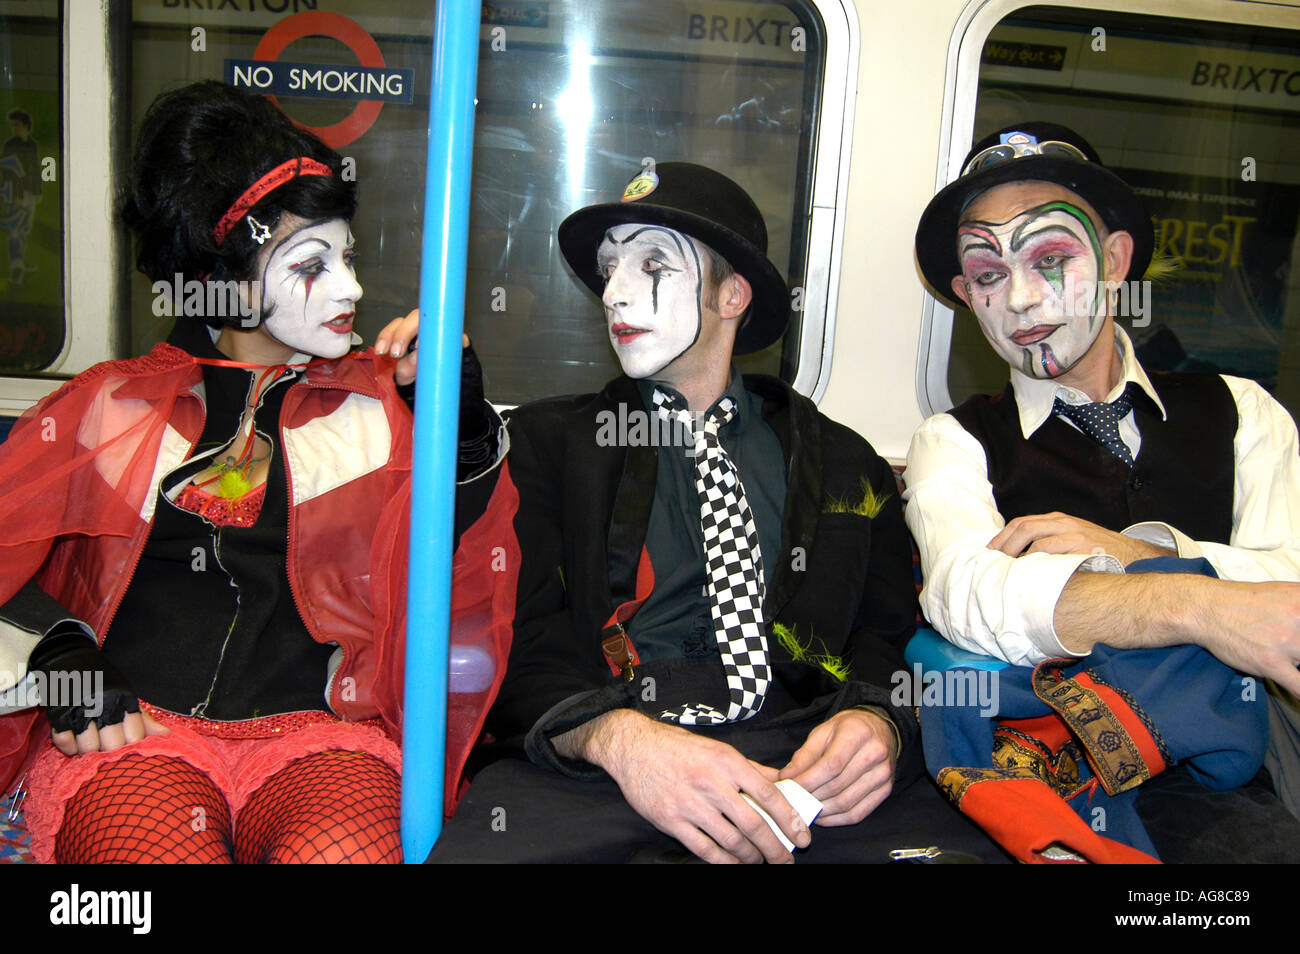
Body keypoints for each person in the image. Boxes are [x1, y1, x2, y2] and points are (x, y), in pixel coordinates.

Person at [430, 162, 1006, 863]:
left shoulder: (843, 462)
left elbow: (885, 635)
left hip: (802, 756)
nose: (612, 291)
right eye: (609, 269)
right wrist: (616, 737)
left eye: (650, 264)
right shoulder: (550, 444)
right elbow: (517, 630)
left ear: (732, 295)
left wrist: (878, 719)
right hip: (606, 753)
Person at [0, 81, 509, 863]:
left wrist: (463, 433)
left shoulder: (384, 406)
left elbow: (457, 566)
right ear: (223, 279)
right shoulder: (108, 406)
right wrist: (58, 648)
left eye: (348, 256)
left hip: (326, 737)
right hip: (139, 731)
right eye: (311, 265)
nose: (353, 290)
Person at [906, 122, 1300, 861]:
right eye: (989, 275)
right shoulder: (954, 440)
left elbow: (1291, 586)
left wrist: (1133, 551)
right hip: (1049, 760)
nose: (1021, 299)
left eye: (1051, 258)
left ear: (1114, 260)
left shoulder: (1242, 408)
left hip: (1233, 762)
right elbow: (967, 597)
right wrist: (1195, 601)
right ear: (966, 292)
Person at [2, 108, 41, 284]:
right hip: (16, 194)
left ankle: (20, 261)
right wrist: (15, 194)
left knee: (24, 229)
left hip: (30, 195)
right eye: (13, 125)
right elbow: (9, 172)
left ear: (25, 126)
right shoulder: (10, 145)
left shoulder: (33, 145)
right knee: (15, 231)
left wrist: (38, 191)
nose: (14, 127)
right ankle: (16, 267)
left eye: (16, 124)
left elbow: (36, 168)